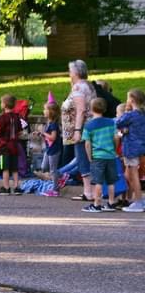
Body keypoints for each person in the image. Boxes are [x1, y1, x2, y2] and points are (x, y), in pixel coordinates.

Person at [61, 60, 96, 203]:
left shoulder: (78, 88)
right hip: (87, 127)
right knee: (86, 158)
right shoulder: (86, 85)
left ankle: (88, 192)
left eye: (70, 71)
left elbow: (81, 110)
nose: (69, 74)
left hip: (81, 129)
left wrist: (77, 130)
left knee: (82, 159)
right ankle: (90, 191)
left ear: (75, 72)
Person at [81, 97, 120, 212]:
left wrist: (89, 157)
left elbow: (87, 144)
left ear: (91, 109)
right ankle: (111, 203)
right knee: (111, 181)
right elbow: (116, 137)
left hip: (97, 156)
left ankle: (97, 204)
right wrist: (114, 148)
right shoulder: (111, 122)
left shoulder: (89, 125)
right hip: (111, 155)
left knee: (97, 181)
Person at [115, 89, 145, 212]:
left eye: (128, 99)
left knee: (133, 175)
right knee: (130, 175)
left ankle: (138, 202)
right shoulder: (142, 114)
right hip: (140, 147)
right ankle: (139, 198)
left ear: (131, 100)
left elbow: (118, 122)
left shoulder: (130, 115)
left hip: (131, 148)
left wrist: (124, 128)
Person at [0, 94, 24, 195]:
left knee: (5, 168)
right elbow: (20, 132)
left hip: (4, 146)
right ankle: (16, 187)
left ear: (5, 105)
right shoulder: (17, 117)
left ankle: (6, 187)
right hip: (14, 146)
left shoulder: (3, 118)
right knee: (15, 168)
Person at [40, 101, 64, 196]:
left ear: (51, 112)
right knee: (44, 167)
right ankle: (61, 175)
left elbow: (53, 137)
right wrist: (41, 134)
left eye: (45, 109)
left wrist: (43, 133)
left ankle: (55, 190)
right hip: (48, 149)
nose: (44, 111)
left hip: (54, 150)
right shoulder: (48, 123)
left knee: (53, 170)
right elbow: (48, 136)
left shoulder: (54, 124)